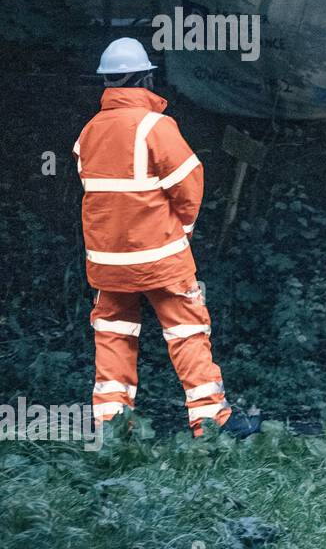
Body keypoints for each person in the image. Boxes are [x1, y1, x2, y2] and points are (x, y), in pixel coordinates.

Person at [74, 37, 259, 438]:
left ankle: (110, 428)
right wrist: (182, 231)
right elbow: (189, 184)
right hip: (161, 256)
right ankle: (212, 422)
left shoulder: (89, 132)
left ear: (107, 82)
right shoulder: (156, 127)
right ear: (146, 79)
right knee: (187, 332)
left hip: (107, 262)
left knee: (113, 335)